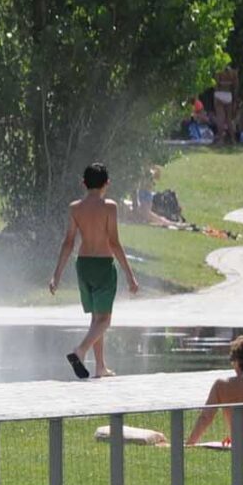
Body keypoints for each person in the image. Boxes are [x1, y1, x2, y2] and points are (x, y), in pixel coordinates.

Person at [49, 162, 140, 379]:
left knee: (95, 319)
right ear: (107, 183)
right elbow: (114, 243)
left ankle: (100, 367)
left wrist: (56, 275)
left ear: (84, 183)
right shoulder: (110, 207)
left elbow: (68, 243)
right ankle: (79, 351)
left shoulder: (75, 208)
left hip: (83, 265)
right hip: (102, 265)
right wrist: (130, 275)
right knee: (105, 320)